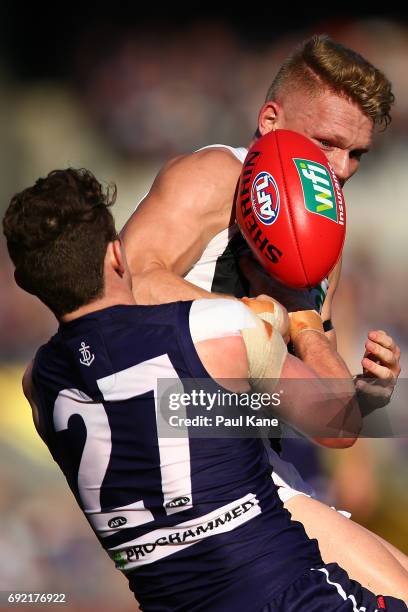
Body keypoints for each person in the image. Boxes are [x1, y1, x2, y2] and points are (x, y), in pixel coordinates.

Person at [3, 167, 406, 611]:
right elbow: (339, 423)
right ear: (118, 256)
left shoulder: (37, 386)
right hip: (289, 594)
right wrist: (303, 320)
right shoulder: (213, 329)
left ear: (27, 283)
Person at [121, 34, 407, 595]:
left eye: (357, 154)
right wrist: (247, 317)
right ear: (271, 120)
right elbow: (122, 285)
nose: (342, 169)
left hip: (247, 458)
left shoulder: (321, 235)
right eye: (327, 143)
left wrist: (364, 395)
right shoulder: (212, 176)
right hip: (180, 452)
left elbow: (332, 429)